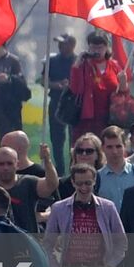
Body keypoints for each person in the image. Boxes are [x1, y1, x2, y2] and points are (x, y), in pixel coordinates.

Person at [69, 32, 124, 140]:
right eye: (93, 47)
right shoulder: (84, 65)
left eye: (100, 47)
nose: (97, 51)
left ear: (106, 48)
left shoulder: (114, 66)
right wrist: (77, 64)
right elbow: (74, 89)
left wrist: (124, 83)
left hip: (110, 116)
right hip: (88, 117)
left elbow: (123, 92)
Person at [46, 35, 79, 169]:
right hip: (56, 101)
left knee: (74, 139)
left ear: (71, 45)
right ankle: (59, 169)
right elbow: (44, 80)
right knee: (57, 139)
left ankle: (74, 167)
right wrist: (56, 85)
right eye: (59, 44)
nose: (60, 46)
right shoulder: (52, 61)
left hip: (73, 104)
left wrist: (71, 85)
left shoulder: (78, 61)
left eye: (63, 44)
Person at [95, 127, 134, 203]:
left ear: (125, 146)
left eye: (118, 146)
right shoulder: (97, 178)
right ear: (102, 148)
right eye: (109, 147)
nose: (114, 151)